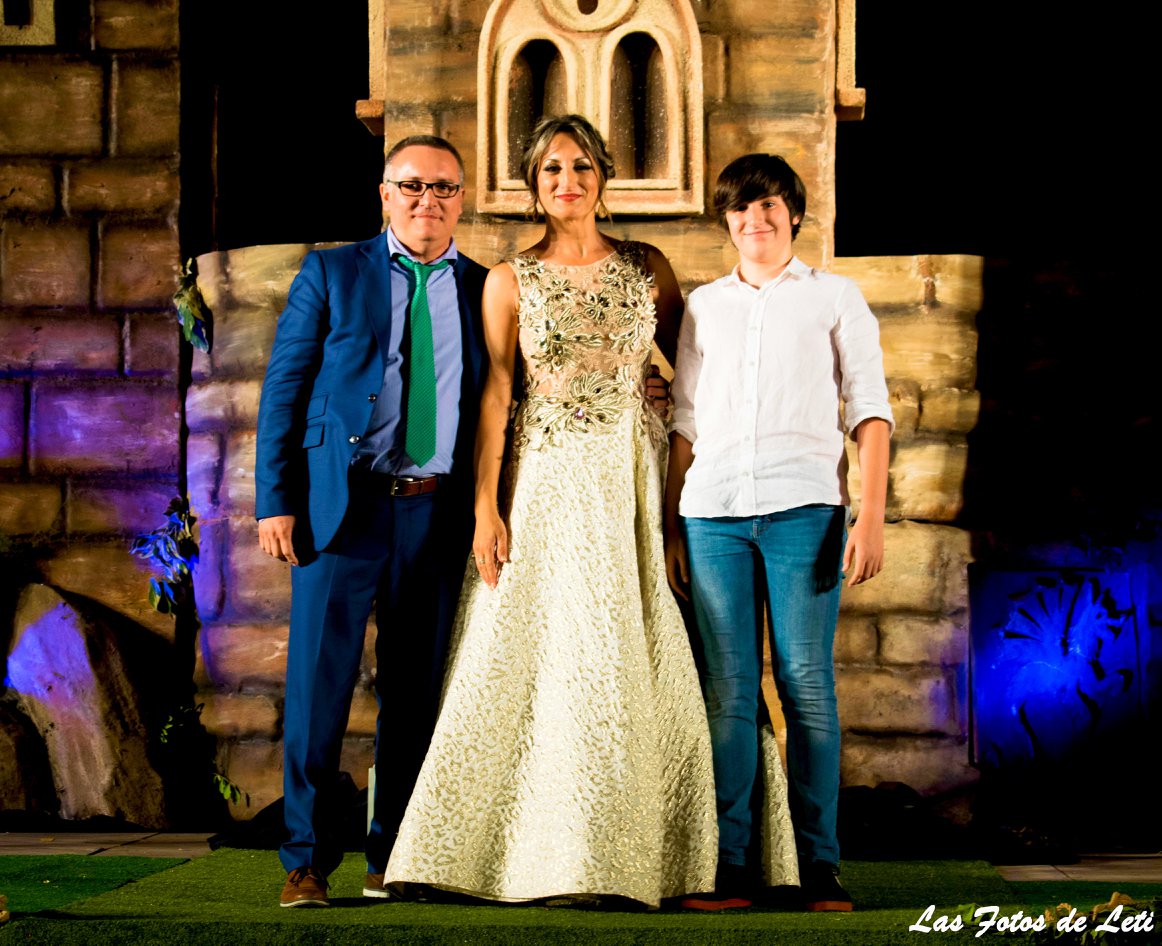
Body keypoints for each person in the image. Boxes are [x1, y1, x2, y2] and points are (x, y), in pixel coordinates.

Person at [384, 115, 797, 908]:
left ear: (603, 178)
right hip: (545, 484)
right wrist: (486, 509)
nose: (567, 181)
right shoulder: (509, 280)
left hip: (637, 480)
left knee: (650, 648)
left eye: (580, 167)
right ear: (532, 185)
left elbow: (699, 377)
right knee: (542, 654)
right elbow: (497, 397)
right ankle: (504, 854)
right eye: (551, 170)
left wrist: (671, 440)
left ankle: (661, 852)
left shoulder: (648, 268)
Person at [254, 136, 490, 908]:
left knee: (415, 696)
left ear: (462, 199)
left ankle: (395, 854)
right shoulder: (333, 272)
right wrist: (275, 499)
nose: (428, 200)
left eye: (444, 187)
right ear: (385, 194)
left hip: (435, 513)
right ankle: (305, 860)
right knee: (318, 688)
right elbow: (285, 388)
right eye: (412, 185)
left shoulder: (483, 288)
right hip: (342, 508)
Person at [664, 153, 893, 912]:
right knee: (727, 691)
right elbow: (685, 421)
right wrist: (673, 523)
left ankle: (819, 865)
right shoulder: (705, 306)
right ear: (726, 221)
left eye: (768, 205)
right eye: (740, 207)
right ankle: (731, 866)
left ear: (793, 213)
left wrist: (870, 516)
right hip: (712, 515)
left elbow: (870, 410)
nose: (754, 219)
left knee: (806, 686)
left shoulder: (835, 297)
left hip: (806, 511)